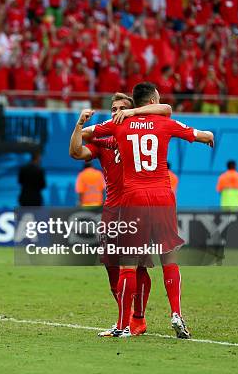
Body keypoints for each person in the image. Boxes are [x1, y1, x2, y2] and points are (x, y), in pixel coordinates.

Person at [85, 82, 214, 338]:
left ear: (135, 103)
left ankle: (122, 326)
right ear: (153, 99)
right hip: (162, 195)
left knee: (128, 265)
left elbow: (89, 133)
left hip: (133, 196)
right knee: (169, 257)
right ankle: (176, 312)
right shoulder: (166, 123)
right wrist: (208, 137)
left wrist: (88, 124)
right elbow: (202, 135)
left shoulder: (119, 123)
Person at [70, 92, 172, 337]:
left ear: (132, 111)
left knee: (138, 267)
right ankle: (125, 320)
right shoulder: (104, 139)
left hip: (136, 210)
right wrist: (79, 124)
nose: (117, 113)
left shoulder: (144, 135)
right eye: (113, 109)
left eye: (121, 108)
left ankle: (136, 320)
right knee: (112, 269)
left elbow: (166, 110)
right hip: (110, 213)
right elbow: (76, 152)